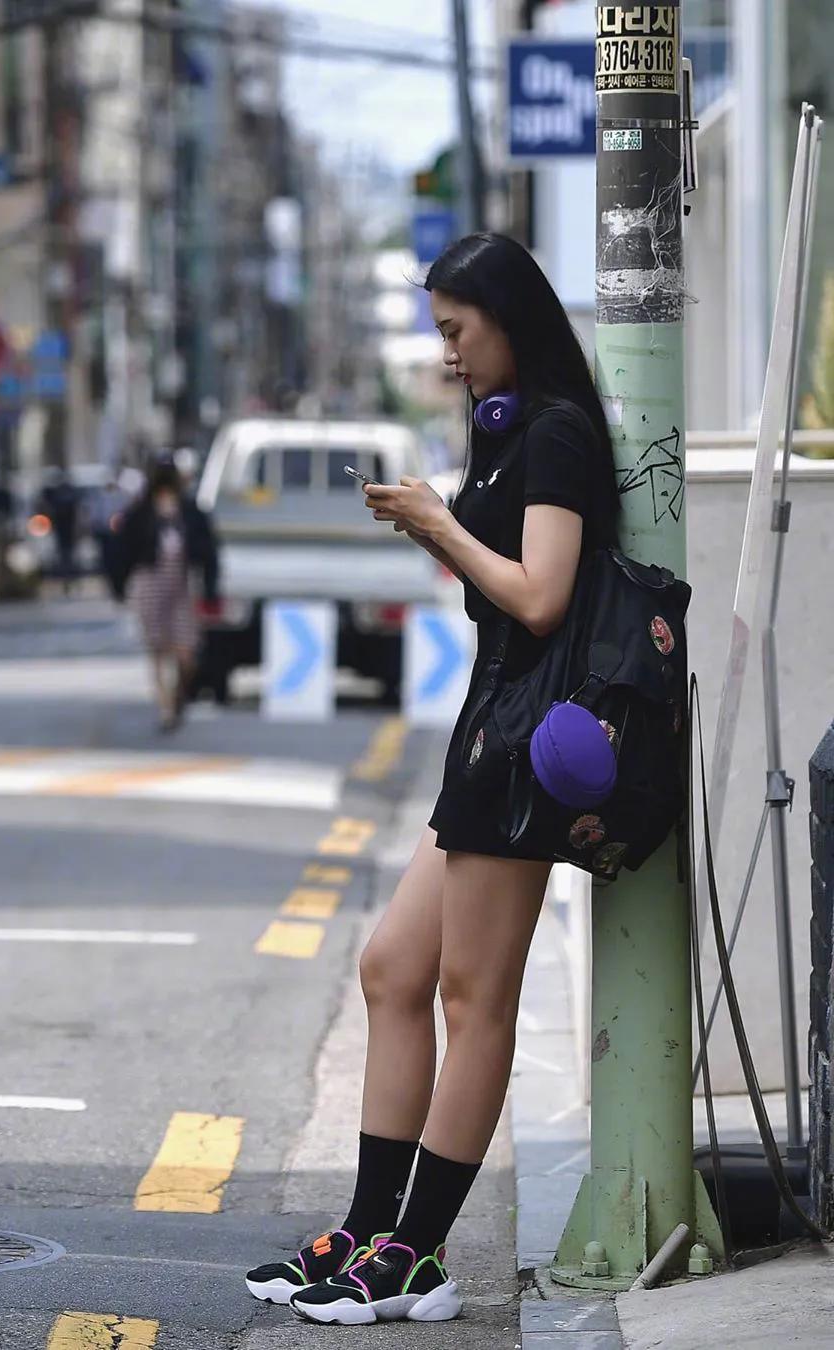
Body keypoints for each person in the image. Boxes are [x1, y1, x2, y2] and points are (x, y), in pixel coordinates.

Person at [244, 233, 622, 1325]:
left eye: (457, 331)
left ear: (509, 318)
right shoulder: (501, 432)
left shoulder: (555, 434)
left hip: (525, 741)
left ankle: (418, 1256)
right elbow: (497, 582)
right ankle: (372, 1229)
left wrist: (441, 525)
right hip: (484, 732)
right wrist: (438, 530)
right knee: (391, 969)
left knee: (473, 996)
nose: (447, 354)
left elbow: (542, 596)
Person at [111, 457, 219, 732]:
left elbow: (208, 550)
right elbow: (123, 550)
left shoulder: (189, 511)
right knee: (158, 649)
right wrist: (119, 585)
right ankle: (166, 708)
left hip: (182, 583)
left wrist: (210, 588)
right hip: (150, 581)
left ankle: (178, 696)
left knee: (186, 652)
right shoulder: (141, 512)